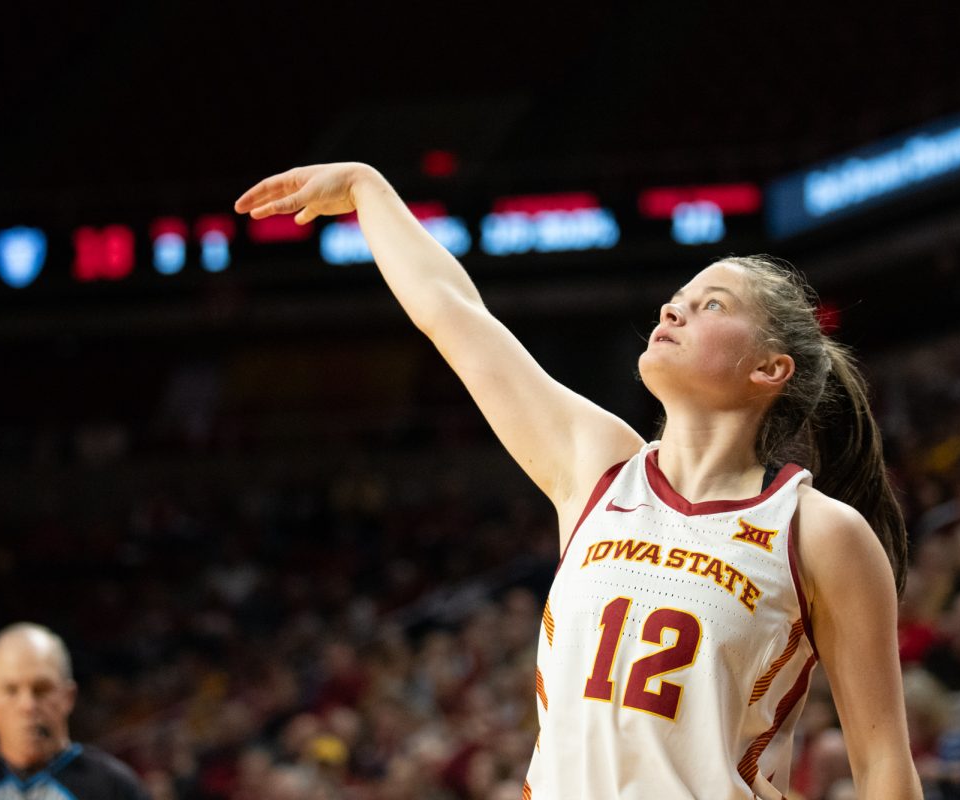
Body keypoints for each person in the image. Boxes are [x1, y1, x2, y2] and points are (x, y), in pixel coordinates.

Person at [235, 162, 922, 799]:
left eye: (712, 305)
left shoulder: (819, 531)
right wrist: (366, 189)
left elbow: (884, 761)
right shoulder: (600, 469)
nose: (672, 311)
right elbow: (453, 313)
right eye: (677, 298)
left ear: (770, 369)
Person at [0, 622, 150, 799]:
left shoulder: (114, 787)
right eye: (11, 690)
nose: (28, 705)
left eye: (41, 689)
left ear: (68, 697)